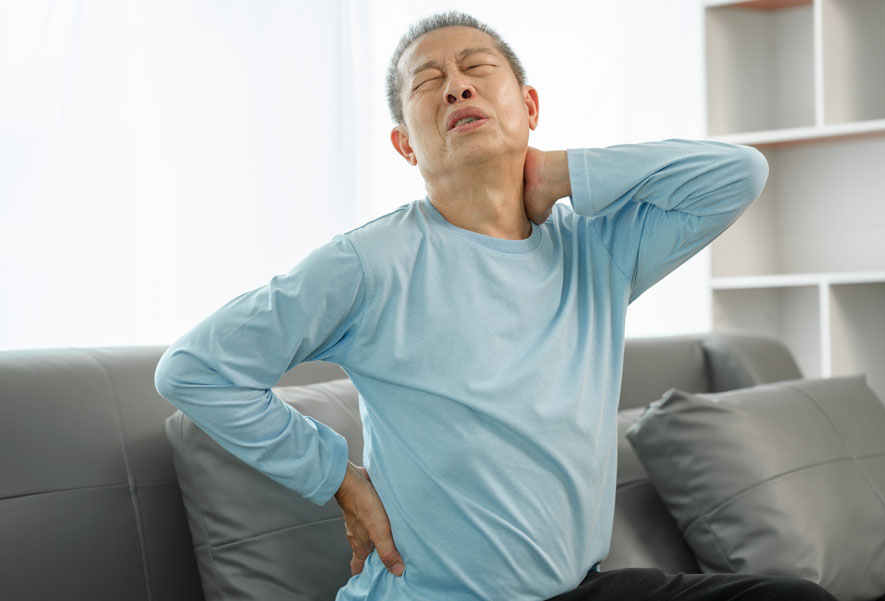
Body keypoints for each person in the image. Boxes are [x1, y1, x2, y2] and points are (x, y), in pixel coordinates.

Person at [154, 10, 840, 601]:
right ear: (404, 145)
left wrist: (559, 171)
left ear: (530, 107)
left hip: (577, 588)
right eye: (428, 83)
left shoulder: (596, 251)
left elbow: (737, 174)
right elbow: (194, 369)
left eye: (476, 67)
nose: (455, 84)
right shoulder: (369, 263)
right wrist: (337, 476)